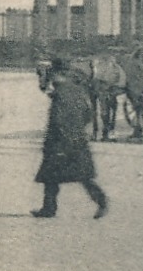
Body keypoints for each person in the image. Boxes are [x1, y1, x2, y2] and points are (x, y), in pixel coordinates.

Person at [33, 60, 108, 219]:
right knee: (82, 176)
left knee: (51, 175)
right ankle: (100, 200)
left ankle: (49, 208)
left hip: (61, 141)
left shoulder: (61, 93)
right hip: (77, 139)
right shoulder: (76, 89)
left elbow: (58, 119)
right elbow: (88, 115)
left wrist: (61, 142)